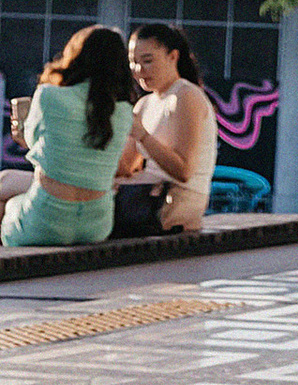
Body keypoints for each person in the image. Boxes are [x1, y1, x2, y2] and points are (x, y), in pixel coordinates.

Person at [3, 28, 137, 250]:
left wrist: (22, 135)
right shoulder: (123, 111)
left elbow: (36, 145)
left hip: (46, 221)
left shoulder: (49, 95)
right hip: (98, 225)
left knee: (10, 207)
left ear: (76, 56)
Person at [113, 25, 218, 238]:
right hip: (144, 198)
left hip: (174, 204)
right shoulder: (144, 104)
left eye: (148, 61)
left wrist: (142, 135)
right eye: (134, 62)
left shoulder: (185, 96)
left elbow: (183, 171)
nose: (139, 70)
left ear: (173, 57)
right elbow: (124, 167)